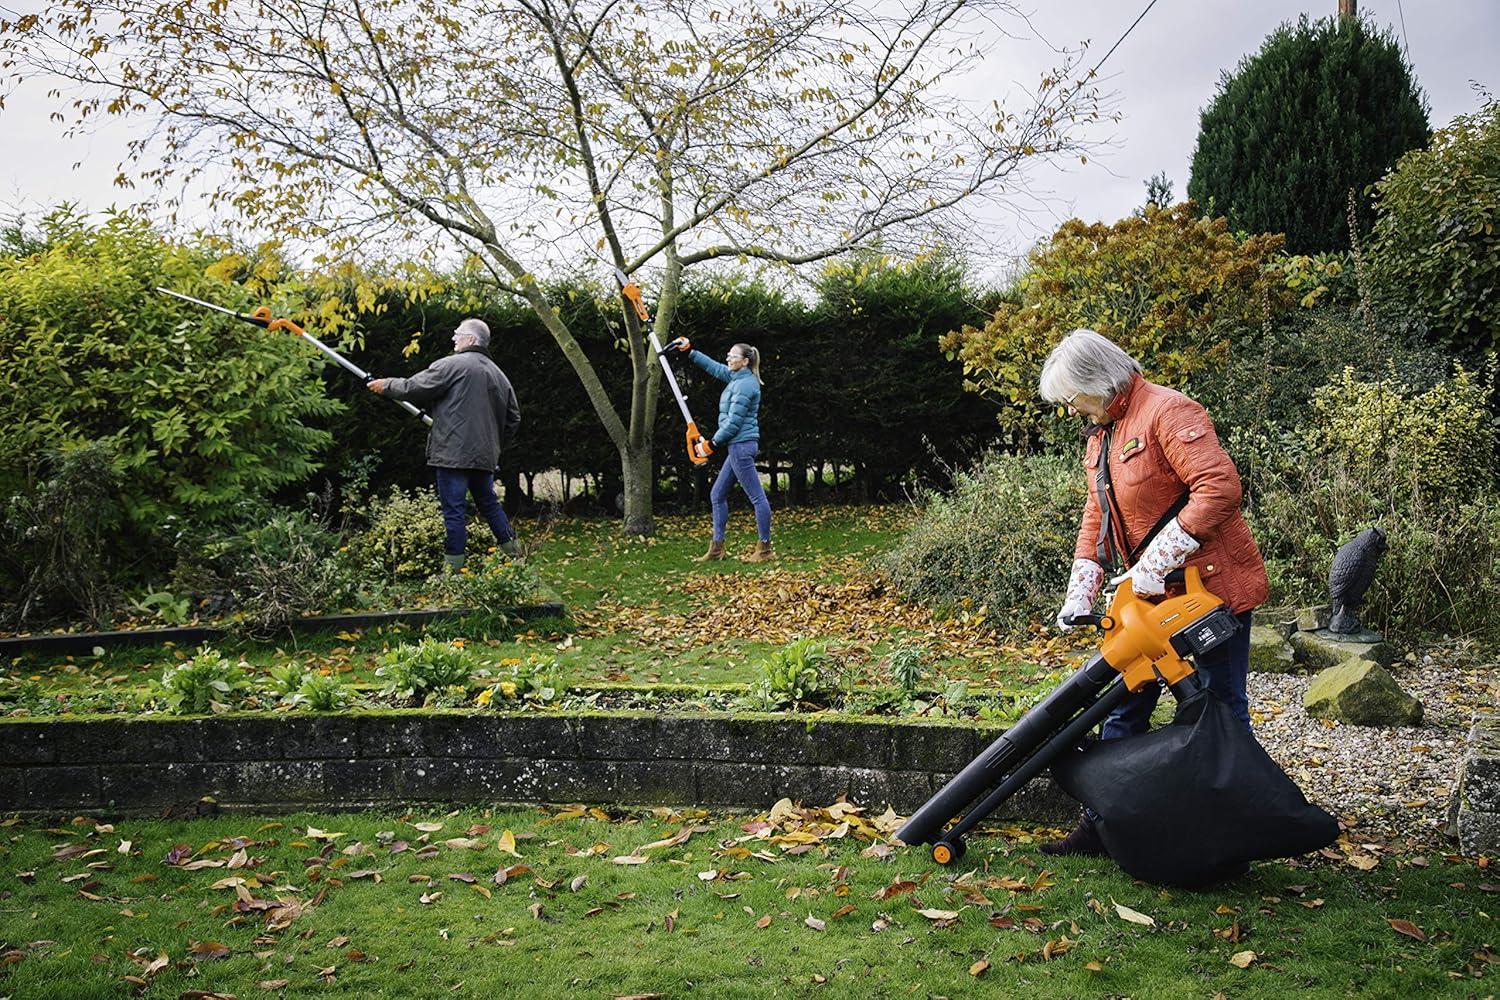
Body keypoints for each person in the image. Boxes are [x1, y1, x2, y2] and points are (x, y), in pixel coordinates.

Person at [1036, 328, 1268, 856]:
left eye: (1074, 399)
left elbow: (1220, 488)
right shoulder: (1104, 434)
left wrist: (1156, 561)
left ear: (1098, 379)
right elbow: (1097, 514)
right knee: (1123, 708)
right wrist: (1082, 585)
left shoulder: (1170, 411)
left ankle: (1244, 826)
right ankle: (1103, 824)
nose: (1073, 411)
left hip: (1209, 593)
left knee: (1220, 707)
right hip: (1147, 604)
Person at [368, 318, 523, 575]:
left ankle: (452, 571)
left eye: (457, 334)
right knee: (489, 504)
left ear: (471, 340)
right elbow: (513, 418)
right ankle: (516, 556)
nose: (453, 339)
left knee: (454, 510)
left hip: (452, 454)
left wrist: (386, 385)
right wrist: (493, 444)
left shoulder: (451, 365)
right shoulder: (500, 375)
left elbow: (413, 387)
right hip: (484, 456)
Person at [667, 337, 774, 562]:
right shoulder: (737, 377)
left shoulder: (745, 385)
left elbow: (734, 422)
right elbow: (715, 368)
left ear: (744, 361)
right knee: (717, 494)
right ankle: (717, 549)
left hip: (741, 447)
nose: (727, 358)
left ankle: (764, 549)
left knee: (757, 497)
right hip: (738, 446)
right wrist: (690, 352)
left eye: (732, 356)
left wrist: (712, 444)